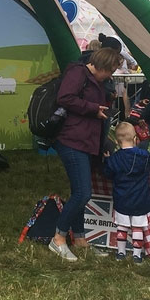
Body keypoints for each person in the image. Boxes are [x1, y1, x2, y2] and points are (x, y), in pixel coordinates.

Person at [48, 46, 122, 262]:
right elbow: (65, 98)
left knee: (78, 191)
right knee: (83, 193)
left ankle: (80, 238)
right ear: (100, 65)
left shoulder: (94, 80)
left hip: (87, 142)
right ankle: (59, 237)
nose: (110, 76)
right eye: (109, 71)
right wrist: (92, 108)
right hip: (72, 141)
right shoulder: (78, 73)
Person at [104, 122, 150, 263]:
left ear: (117, 141)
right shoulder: (144, 156)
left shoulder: (115, 158)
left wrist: (107, 159)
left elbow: (107, 172)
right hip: (140, 199)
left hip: (121, 199)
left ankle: (120, 253)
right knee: (138, 228)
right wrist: (148, 145)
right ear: (135, 138)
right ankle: (137, 255)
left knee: (122, 227)